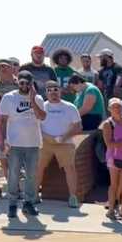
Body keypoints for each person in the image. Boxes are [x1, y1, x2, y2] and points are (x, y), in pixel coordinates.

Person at [0, 71, 47, 219]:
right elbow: (2, 121)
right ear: (17, 83)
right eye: (22, 83)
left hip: (33, 143)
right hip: (15, 143)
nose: (24, 86)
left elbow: (42, 117)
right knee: (13, 175)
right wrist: (2, 140)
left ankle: (28, 203)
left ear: (31, 84)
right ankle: (12, 204)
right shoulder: (9, 98)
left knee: (31, 176)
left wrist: (32, 99)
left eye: (27, 83)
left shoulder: (38, 98)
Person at [38, 80, 83, 209]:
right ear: (46, 93)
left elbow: (78, 126)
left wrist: (64, 137)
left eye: (56, 90)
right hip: (45, 142)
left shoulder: (70, 107)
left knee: (70, 168)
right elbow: (36, 126)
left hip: (65, 143)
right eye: (50, 90)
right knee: (38, 167)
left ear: (60, 91)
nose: (53, 93)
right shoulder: (41, 106)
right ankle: (34, 195)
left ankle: (73, 197)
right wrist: (47, 137)